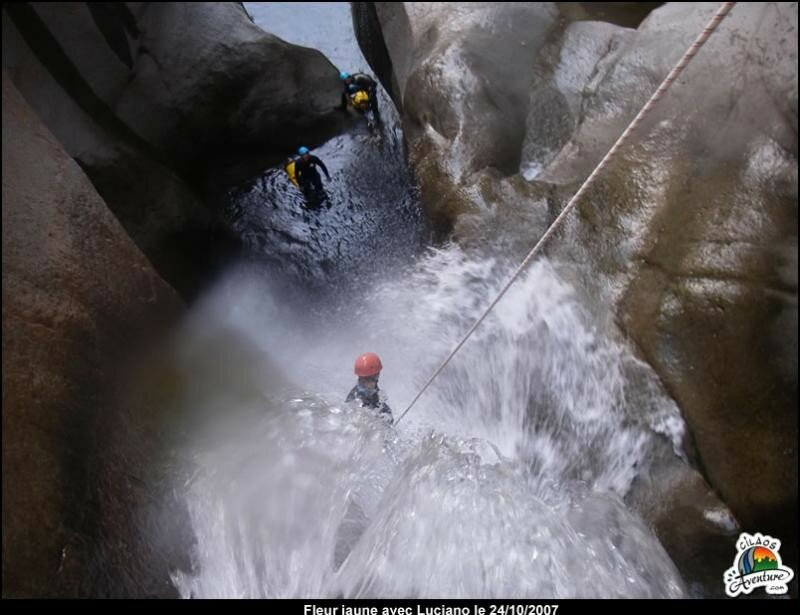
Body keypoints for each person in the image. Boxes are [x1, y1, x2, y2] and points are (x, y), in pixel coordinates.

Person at [346, 352, 393, 423]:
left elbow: (382, 407)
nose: (373, 383)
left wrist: (387, 417)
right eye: (372, 379)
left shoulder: (372, 390)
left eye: (377, 376)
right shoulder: (356, 399)